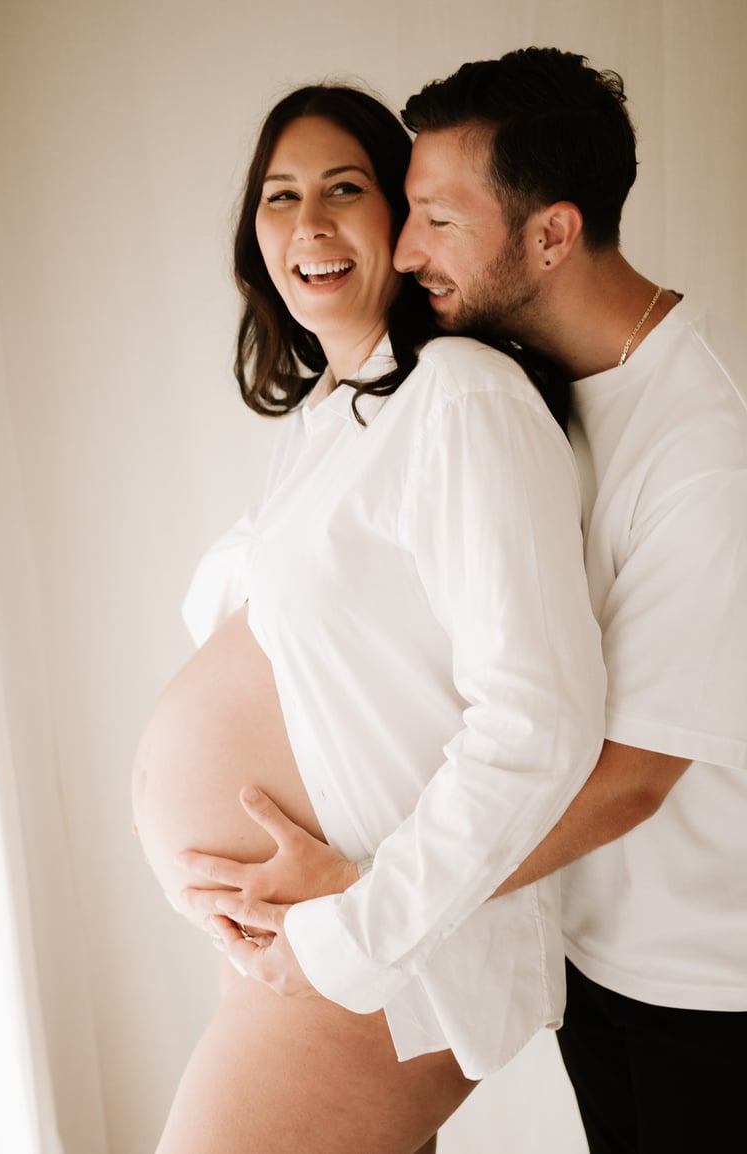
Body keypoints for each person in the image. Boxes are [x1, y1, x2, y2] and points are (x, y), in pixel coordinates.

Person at [183, 49, 747, 1154]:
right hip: (600, 951)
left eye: (433, 218)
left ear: (551, 234)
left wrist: (368, 900)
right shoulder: (534, 380)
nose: (402, 247)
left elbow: (628, 776)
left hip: (704, 975)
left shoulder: (700, 459)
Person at [132, 79, 606, 1153]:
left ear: (401, 217)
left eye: (344, 188)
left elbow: (541, 722)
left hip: (377, 955)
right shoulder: (325, 422)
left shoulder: (463, 396)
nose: (309, 221)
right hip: (306, 944)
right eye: (279, 195)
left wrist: (354, 928)